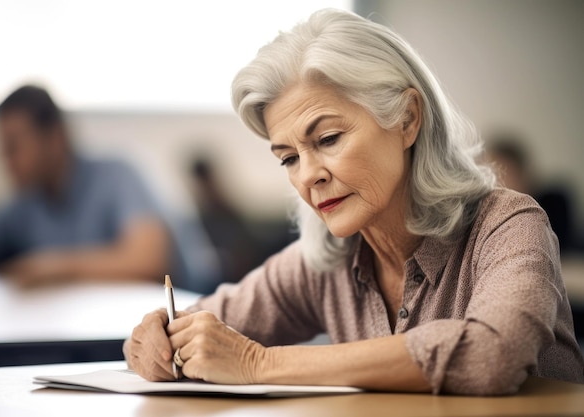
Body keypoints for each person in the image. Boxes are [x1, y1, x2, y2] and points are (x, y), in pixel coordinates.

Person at [124, 9, 584, 395]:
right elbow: (204, 323)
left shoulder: (509, 224)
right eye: (287, 158)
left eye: (327, 138)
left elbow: (491, 354)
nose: (308, 175)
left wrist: (256, 364)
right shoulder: (325, 261)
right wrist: (155, 340)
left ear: (407, 119)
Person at [0, 85, 170, 286]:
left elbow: (149, 261)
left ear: (55, 137)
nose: (6, 161)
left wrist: (54, 267)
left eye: (13, 147)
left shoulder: (116, 176)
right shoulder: (25, 202)